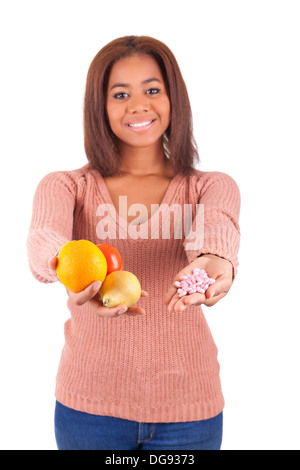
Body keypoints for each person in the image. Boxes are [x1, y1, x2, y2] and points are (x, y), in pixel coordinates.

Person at [27, 35, 241, 450]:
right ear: (100, 106)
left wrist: (215, 261)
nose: (139, 104)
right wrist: (65, 266)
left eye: (153, 89)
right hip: (89, 410)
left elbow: (218, 227)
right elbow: (43, 238)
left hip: (189, 411)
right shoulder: (67, 186)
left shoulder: (211, 186)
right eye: (120, 93)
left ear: (173, 98)